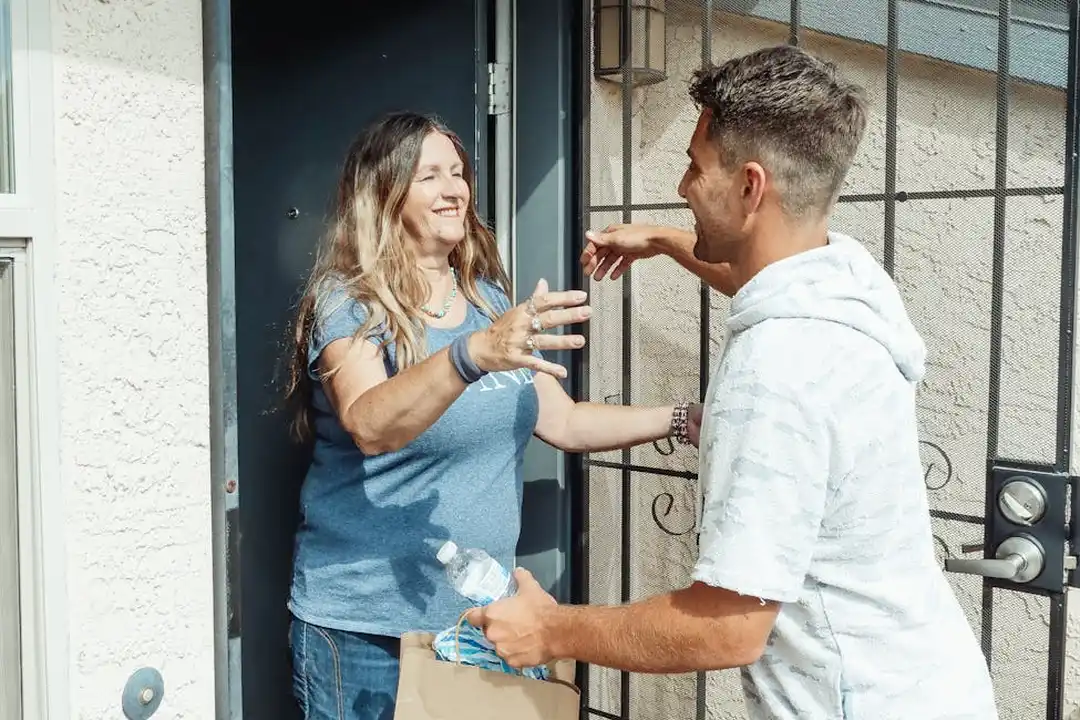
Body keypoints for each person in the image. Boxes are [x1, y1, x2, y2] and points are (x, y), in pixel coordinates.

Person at [468, 45, 998, 719]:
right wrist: (663, 240)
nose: (685, 185)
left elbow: (726, 625)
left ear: (750, 187)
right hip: (930, 688)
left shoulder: (777, 370)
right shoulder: (846, 279)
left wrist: (549, 628)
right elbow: (753, 271)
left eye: (695, 166)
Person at [282, 111, 703, 720]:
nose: (454, 189)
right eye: (430, 176)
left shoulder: (488, 303)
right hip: (365, 630)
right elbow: (371, 425)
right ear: (384, 192)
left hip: (477, 623)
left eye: (458, 173)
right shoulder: (350, 301)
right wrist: (469, 355)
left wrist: (681, 418)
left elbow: (562, 422)